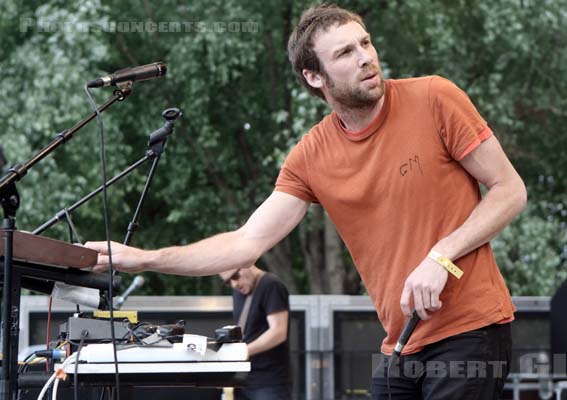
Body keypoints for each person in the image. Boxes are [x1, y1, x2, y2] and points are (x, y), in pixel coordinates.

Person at [86, 4, 527, 399]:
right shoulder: (310, 155)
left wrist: (442, 256)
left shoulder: (434, 97)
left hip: (471, 329)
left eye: (365, 43)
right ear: (314, 77)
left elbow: (510, 190)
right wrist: (141, 258)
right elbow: (244, 244)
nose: (365, 58)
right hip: (402, 342)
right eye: (344, 54)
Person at [219, 265, 291, 399]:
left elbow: (279, 332)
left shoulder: (271, 285)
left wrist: (242, 351)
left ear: (247, 263)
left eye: (235, 276)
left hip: (269, 382)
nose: (234, 284)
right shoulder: (239, 291)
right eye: (228, 282)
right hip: (243, 380)